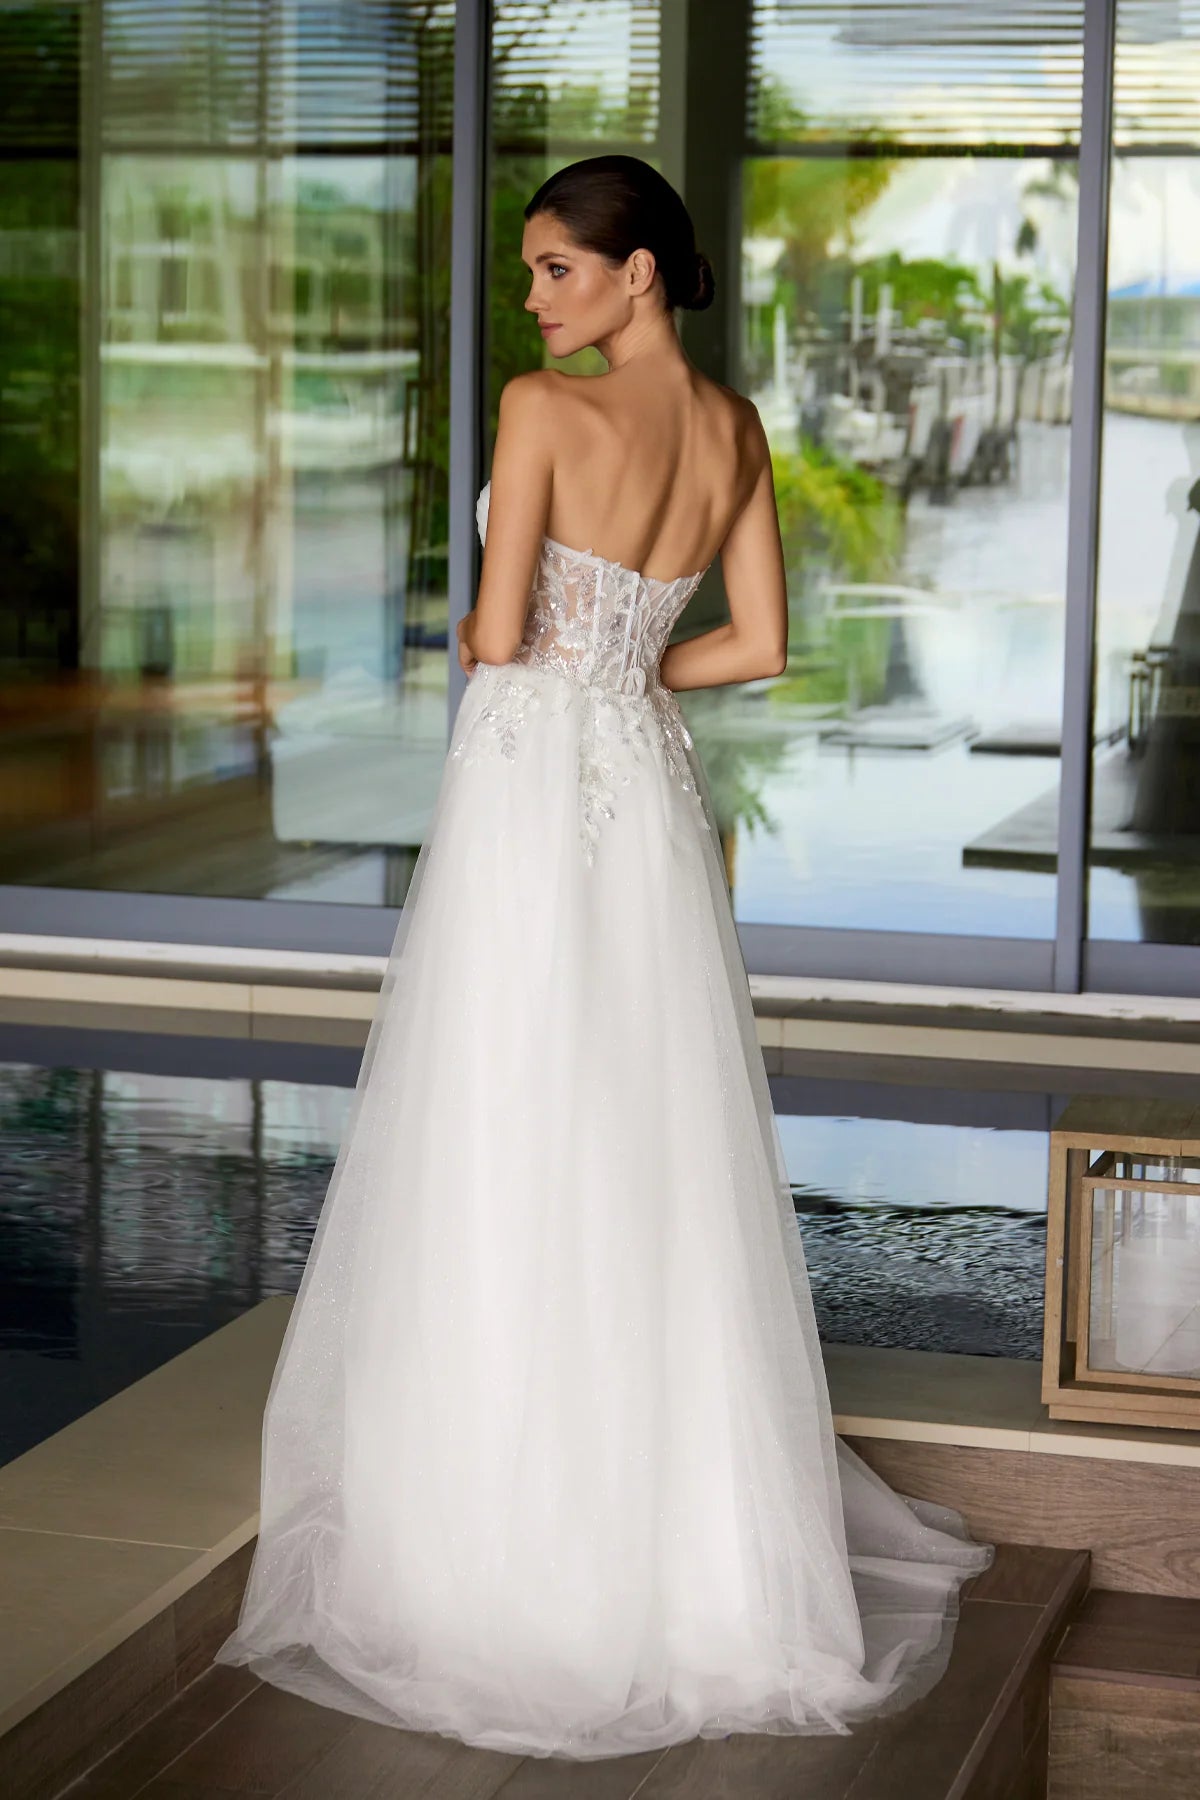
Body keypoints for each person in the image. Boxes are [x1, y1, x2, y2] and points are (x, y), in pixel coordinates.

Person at [214, 153, 992, 1761]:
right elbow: (760, 645)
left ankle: (496, 1564)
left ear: (639, 274)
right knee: (647, 1151)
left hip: (522, 799)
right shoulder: (735, 433)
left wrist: (553, 653)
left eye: (558, 268)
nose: (535, 296)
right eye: (532, 274)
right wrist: (631, 670)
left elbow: (495, 635)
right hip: (639, 794)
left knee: (498, 1133)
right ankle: (687, 1569)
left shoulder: (541, 408)